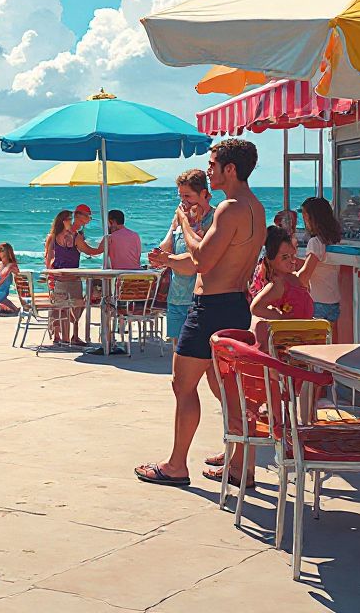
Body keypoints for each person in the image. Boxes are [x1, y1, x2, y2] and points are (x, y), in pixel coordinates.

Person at [138, 138, 265, 491]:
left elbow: (202, 261)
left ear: (230, 169)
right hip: (235, 305)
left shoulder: (229, 208)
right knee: (228, 389)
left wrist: (184, 223)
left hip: (211, 306)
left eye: (212, 164)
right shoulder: (255, 207)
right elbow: (218, 260)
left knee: (183, 384)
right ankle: (241, 466)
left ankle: (176, 465)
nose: (208, 171)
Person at [156, 170, 215, 348]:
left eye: (187, 196)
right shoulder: (182, 218)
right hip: (176, 297)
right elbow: (164, 248)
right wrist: (176, 223)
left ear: (203, 194)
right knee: (178, 352)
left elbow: (195, 262)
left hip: (199, 299)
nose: (183, 201)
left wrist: (168, 259)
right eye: (181, 196)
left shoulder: (215, 220)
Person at [44, 205, 103, 345]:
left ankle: (60, 336)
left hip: (58, 277)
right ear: (64, 221)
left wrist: (50, 276)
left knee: (63, 306)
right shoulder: (74, 237)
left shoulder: (53, 237)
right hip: (68, 278)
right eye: (69, 219)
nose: (72, 221)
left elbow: (47, 260)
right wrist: (103, 246)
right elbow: (89, 251)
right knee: (75, 305)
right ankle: (71, 336)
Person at [250, 224, 314, 349]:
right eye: (285, 257)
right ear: (270, 260)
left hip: (303, 341)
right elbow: (256, 307)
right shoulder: (278, 284)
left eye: (292, 255)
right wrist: (280, 318)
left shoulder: (293, 279)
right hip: (289, 345)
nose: (291, 261)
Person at [297, 196, 344, 325]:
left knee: (313, 343)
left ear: (312, 218)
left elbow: (304, 276)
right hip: (333, 303)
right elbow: (321, 266)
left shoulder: (315, 242)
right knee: (328, 343)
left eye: (305, 217)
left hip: (317, 303)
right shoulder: (334, 240)